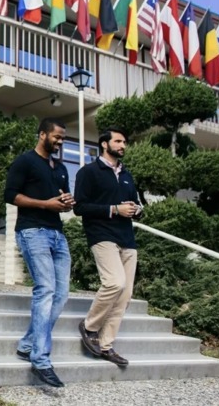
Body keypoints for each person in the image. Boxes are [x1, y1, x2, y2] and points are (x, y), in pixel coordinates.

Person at [4, 117, 74, 388]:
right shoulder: (25, 162)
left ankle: (27, 345)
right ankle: (41, 360)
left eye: (63, 138)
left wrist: (67, 202)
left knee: (61, 293)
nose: (59, 141)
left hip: (57, 235)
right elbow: (11, 195)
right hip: (32, 231)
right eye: (56, 136)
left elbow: (62, 199)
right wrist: (45, 204)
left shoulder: (61, 167)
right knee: (45, 289)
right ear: (42, 134)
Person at [73, 127, 142, 367]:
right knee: (114, 283)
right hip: (102, 236)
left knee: (124, 295)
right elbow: (80, 207)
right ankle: (89, 326)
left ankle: (106, 345)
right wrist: (114, 209)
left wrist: (137, 210)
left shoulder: (127, 174)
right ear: (104, 144)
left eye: (125, 141)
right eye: (118, 141)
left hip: (127, 238)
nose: (123, 145)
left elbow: (135, 203)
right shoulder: (88, 172)